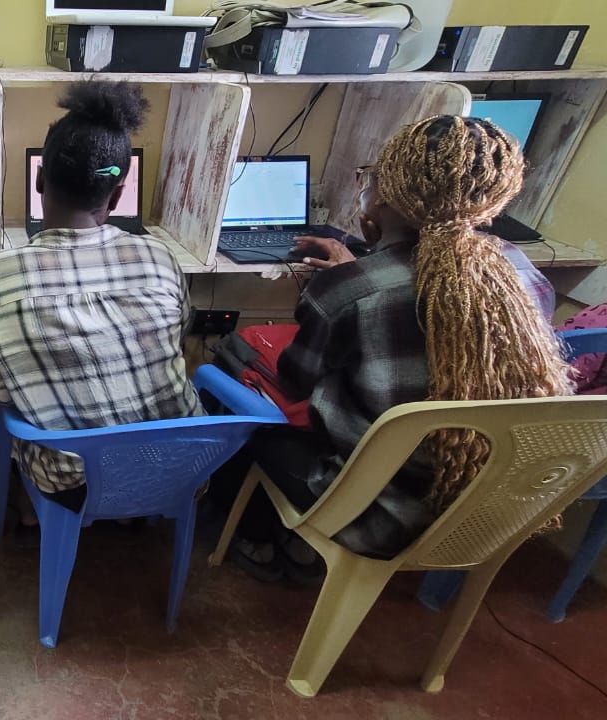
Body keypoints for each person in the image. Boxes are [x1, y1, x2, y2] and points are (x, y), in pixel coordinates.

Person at [210, 116, 573, 580]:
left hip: (375, 510)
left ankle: (265, 542)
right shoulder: (519, 273)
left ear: (384, 197)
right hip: (482, 509)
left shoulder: (351, 290)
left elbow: (295, 379)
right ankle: (296, 549)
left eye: (367, 178)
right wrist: (359, 266)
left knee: (253, 414)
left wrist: (342, 281)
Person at [0, 80, 201, 520]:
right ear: (117, 195)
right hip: (181, 468)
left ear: (40, 178)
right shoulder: (159, 257)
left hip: (75, 484)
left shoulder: (0, 273)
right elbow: (180, 329)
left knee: (25, 412)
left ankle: (33, 511)